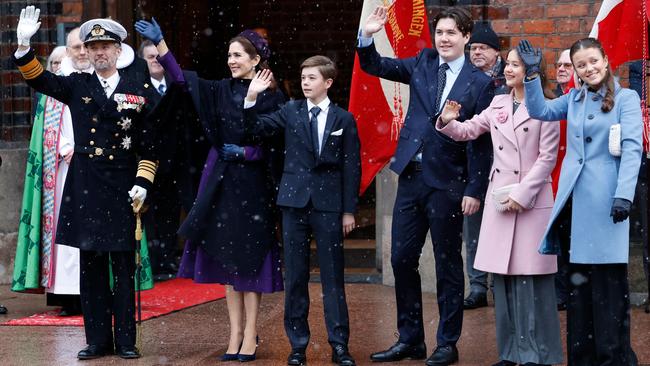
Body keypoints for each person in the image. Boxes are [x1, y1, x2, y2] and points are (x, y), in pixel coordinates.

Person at [14, 7, 160, 359]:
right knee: (91, 269)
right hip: (88, 188)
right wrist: (23, 46)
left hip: (124, 187)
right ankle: (96, 340)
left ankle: (125, 340)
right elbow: (39, 80)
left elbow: (150, 140)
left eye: (104, 47)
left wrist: (143, 180)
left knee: (123, 269)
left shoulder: (136, 84)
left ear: (117, 50)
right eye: (92, 48)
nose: (98, 53)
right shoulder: (78, 84)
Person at [135, 19, 285, 362]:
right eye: (229, 55)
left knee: (249, 263)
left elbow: (279, 143)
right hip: (220, 182)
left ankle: (251, 334)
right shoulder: (219, 89)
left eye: (238, 56)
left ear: (255, 60)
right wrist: (161, 45)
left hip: (253, 186)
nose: (231, 61)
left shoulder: (273, 96)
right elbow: (181, 80)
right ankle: (233, 334)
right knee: (229, 265)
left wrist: (249, 151)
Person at [357, 6, 494, 365]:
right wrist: (368, 36)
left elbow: (481, 144)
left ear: (466, 37)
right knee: (402, 258)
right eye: (440, 33)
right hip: (411, 177)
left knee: (449, 264)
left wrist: (474, 190)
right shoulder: (423, 62)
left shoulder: (480, 83)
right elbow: (376, 67)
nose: (444, 39)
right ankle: (410, 339)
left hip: (449, 182)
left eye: (452, 33)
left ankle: (447, 343)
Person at [436, 47, 563, 366]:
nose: (507, 69)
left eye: (516, 65)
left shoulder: (546, 107)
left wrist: (523, 193)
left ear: (531, 70)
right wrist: (449, 122)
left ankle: (537, 354)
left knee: (532, 282)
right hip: (500, 199)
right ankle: (509, 353)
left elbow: (547, 158)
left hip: (531, 201)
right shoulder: (498, 102)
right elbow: (469, 130)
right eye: (507, 63)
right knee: (504, 280)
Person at [519, 38, 642, 365]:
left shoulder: (626, 98)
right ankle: (583, 357)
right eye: (581, 65)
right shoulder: (573, 98)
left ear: (605, 59)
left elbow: (632, 148)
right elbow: (539, 110)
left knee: (608, 289)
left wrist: (624, 194)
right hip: (573, 205)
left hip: (607, 204)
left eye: (593, 61)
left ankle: (612, 357)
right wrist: (533, 75)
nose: (588, 69)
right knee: (579, 288)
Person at [244, 56, 361, 366]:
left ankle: (339, 345)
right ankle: (297, 344)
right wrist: (252, 97)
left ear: (328, 82)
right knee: (295, 275)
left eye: (312, 78)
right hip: (294, 203)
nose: (306, 82)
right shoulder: (291, 111)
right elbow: (256, 128)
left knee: (333, 277)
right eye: (303, 77)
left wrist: (349, 211)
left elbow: (352, 167)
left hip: (328, 205)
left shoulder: (344, 119)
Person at [463, 20, 505, 310]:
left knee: (502, 226)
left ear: (496, 52)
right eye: (473, 48)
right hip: (471, 160)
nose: (476, 52)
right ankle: (477, 285)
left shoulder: (508, 77)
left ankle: (501, 284)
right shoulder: (463, 78)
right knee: (473, 227)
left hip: (505, 162)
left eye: (483, 47)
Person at [137, 39, 180, 281]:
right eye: (150, 57)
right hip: (148, 161)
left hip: (174, 160)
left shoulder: (176, 85)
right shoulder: (139, 88)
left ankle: (168, 257)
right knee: (149, 213)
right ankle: (153, 260)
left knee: (171, 212)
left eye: (158, 56)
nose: (155, 60)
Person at [551, 48, 575, 311]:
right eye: (558, 64)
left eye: (567, 65)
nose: (561, 68)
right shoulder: (551, 99)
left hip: (573, 181)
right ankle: (560, 292)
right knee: (557, 240)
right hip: (552, 180)